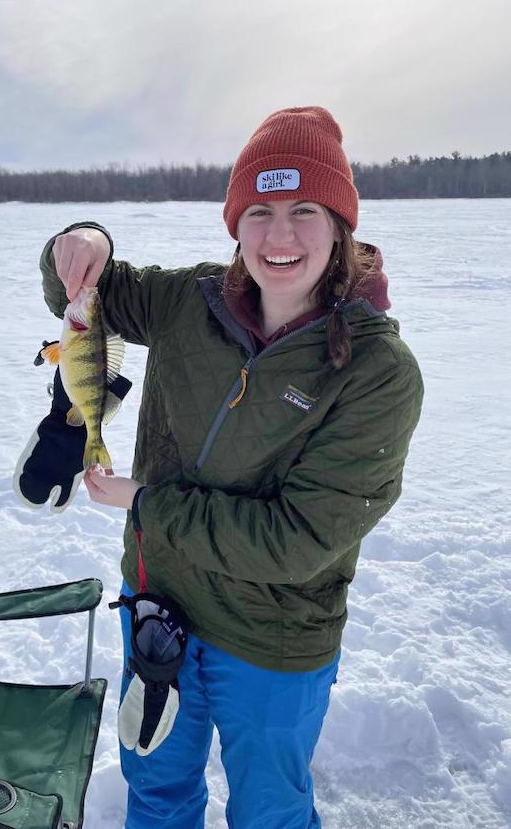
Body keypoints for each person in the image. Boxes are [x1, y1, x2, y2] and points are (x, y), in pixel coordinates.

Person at [39, 106, 424, 829]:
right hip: (159, 608)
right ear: (234, 224)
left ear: (340, 224)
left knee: (269, 812)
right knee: (155, 792)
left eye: (304, 210)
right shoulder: (192, 303)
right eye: (259, 212)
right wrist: (78, 240)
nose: (279, 236)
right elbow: (87, 291)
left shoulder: (378, 371)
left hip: (271, 640)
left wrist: (144, 503)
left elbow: (295, 540)